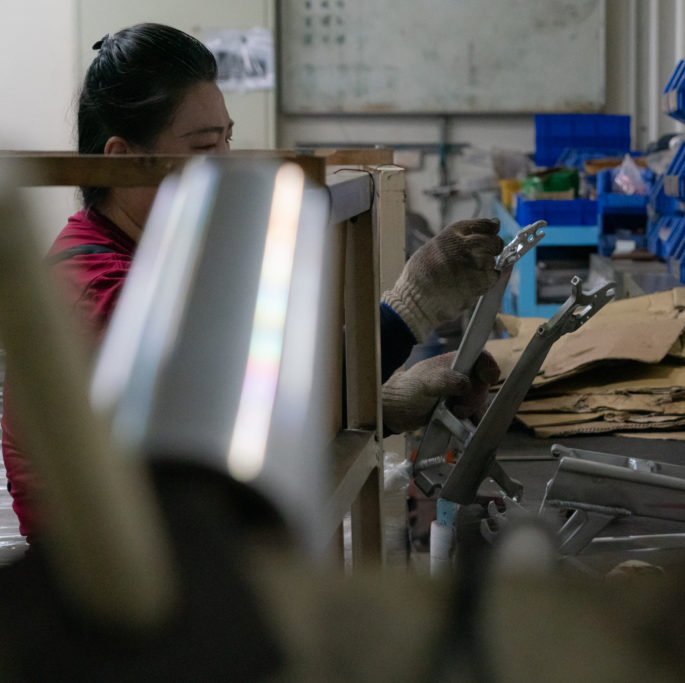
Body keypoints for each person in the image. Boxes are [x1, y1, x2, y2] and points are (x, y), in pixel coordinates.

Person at [0, 23, 501, 544]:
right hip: (116, 576)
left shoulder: (147, 257)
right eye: (203, 146)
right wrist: (408, 310)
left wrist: (380, 405)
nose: (224, 165)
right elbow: (242, 415)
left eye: (228, 140)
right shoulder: (100, 292)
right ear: (122, 161)